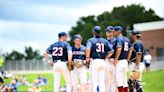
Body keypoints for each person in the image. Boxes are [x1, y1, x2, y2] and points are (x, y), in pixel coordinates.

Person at [86, 26, 114, 92]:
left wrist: (87, 57)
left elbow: (88, 49)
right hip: (102, 62)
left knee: (94, 82)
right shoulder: (105, 40)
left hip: (95, 61)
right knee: (102, 82)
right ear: (100, 32)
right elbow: (112, 51)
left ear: (94, 32)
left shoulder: (91, 40)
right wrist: (106, 57)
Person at [113, 26, 131, 92]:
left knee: (119, 80)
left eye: (114, 31)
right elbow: (130, 50)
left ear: (119, 31)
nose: (113, 32)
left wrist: (116, 59)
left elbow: (119, 48)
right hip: (125, 61)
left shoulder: (119, 39)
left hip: (120, 61)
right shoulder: (127, 39)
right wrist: (128, 59)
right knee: (124, 79)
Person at [105, 26, 116, 92]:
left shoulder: (115, 40)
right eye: (106, 31)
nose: (107, 32)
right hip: (105, 61)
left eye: (109, 31)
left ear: (113, 32)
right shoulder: (104, 40)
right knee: (105, 80)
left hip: (113, 60)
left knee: (113, 80)